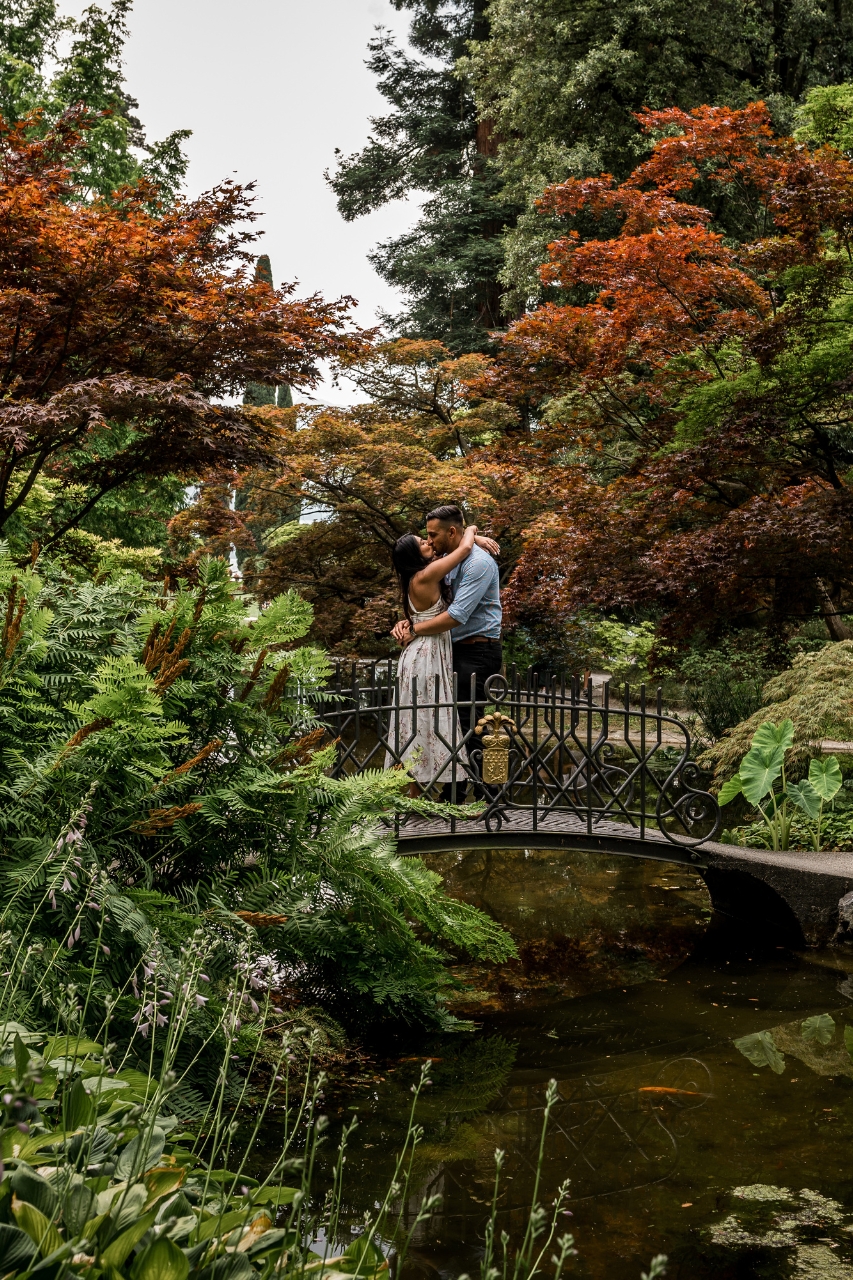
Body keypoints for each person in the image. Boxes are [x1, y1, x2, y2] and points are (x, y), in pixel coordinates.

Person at [391, 504, 502, 800]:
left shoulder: (477, 564)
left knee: (469, 724)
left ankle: (488, 796)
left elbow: (456, 615)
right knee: (452, 723)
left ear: (451, 532)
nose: (430, 541)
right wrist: (472, 534)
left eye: (432, 535)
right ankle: (453, 795)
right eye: (426, 538)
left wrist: (415, 628)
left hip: (478, 650)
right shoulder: (445, 562)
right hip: (452, 650)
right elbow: (430, 606)